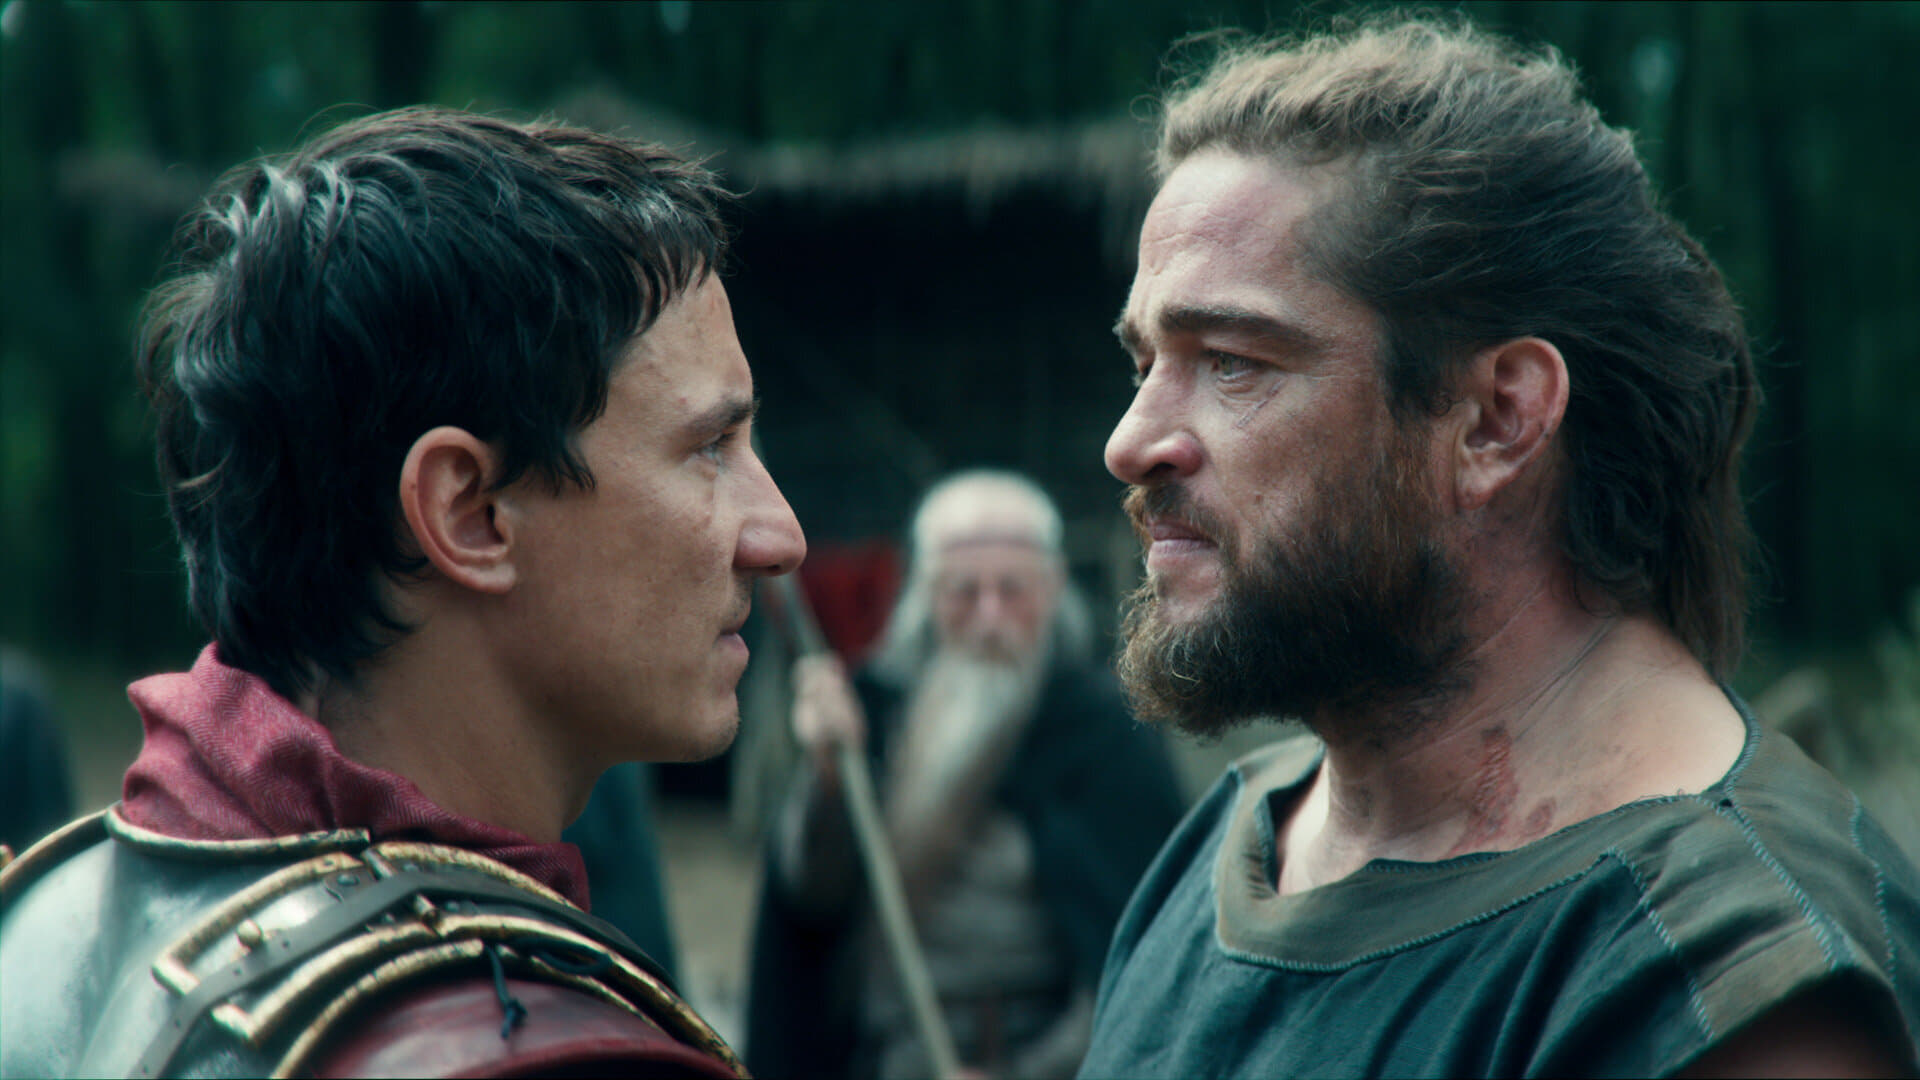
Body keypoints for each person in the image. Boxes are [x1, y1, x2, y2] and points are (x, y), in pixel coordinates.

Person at [1081, 15, 1920, 1078]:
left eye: (1233, 361)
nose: (1131, 443)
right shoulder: (1223, 845)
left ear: (1496, 420)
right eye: (1146, 361)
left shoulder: (1726, 975)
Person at [0, 106, 806, 1078]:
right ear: (468, 513)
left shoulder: (42, 924)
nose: (781, 537)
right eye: (710, 447)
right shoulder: (552, 1063)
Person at [746, 470, 1185, 1080]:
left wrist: (1023, 1076)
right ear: (925, 597)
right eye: (964, 592)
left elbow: (1141, 968)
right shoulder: (870, 712)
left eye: (1012, 590)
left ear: (1052, 590)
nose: (989, 617)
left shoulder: (1105, 733)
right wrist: (827, 776)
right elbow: (813, 897)